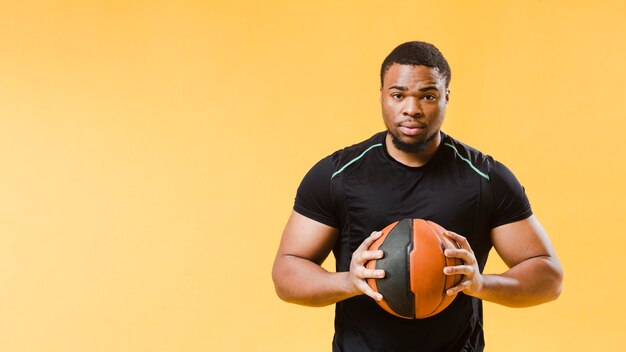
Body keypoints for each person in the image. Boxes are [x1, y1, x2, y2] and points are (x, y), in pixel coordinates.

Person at [272, 41, 563, 351]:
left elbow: (548, 277)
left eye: (427, 96)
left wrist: (481, 284)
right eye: (398, 95)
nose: (411, 109)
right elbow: (286, 274)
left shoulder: (485, 179)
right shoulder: (337, 176)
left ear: (446, 97)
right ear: (382, 96)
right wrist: (349, 281)